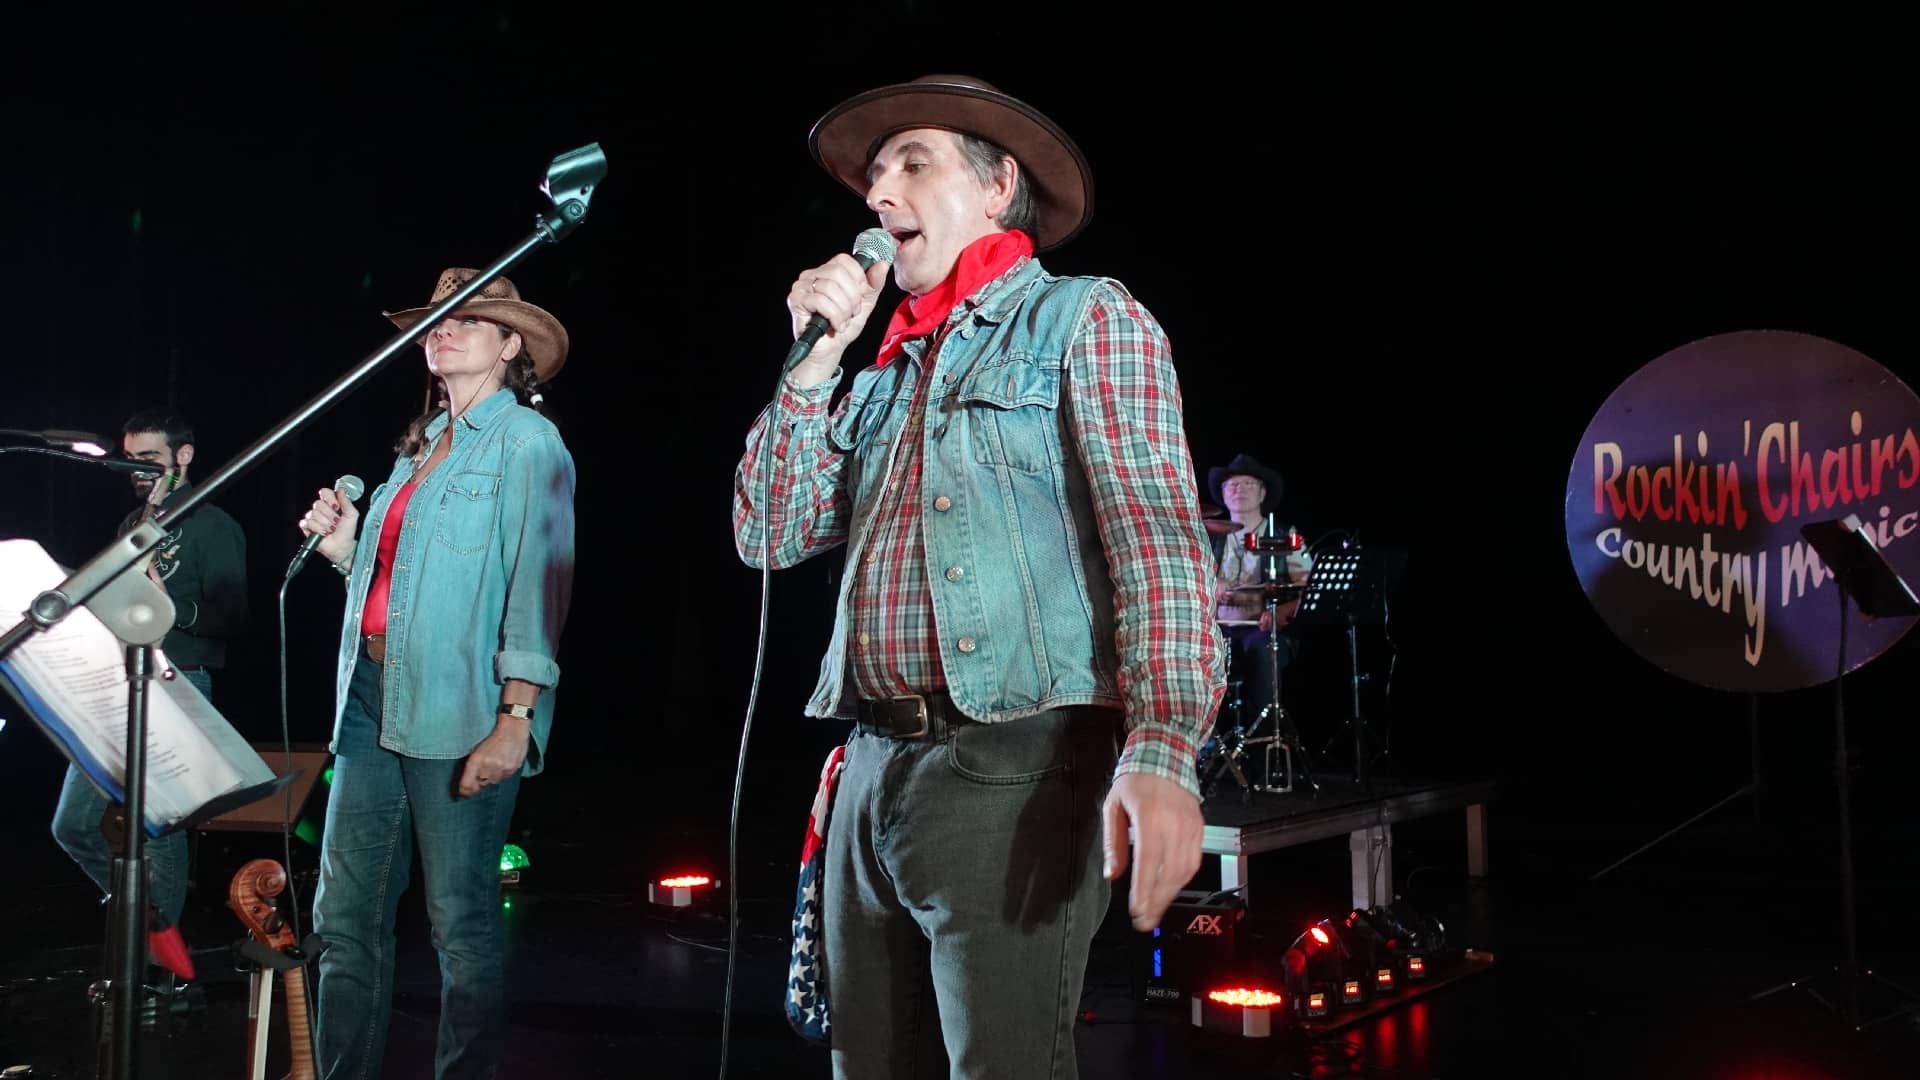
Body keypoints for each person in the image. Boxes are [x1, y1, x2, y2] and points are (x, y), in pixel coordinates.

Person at [732, 75, 1224, 1077]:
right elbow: (770, 533)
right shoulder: (878, 376)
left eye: (912, 164)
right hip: (869, 769)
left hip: (1013, 765)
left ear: (998, 188)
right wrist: (812, 370)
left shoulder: (1086, 320)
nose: (879, 196)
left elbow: (1159, 538)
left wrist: (1164, 747)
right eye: (873, 177)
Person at [296, 268, 576, 1080]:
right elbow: (393, 588)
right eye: (436, 321)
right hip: (369, 699)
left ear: (511, 344)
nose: (442, 331)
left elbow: (539, 583)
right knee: (343, 913)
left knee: (460, 919)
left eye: (467, 320)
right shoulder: (417, 449)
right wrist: (346, 545)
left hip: (463, 707)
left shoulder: (529, 442)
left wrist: (515, 717)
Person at [50, 408, 248, 979]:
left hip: (180, 682)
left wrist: (168, 606)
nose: (134, 470)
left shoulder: (214, 525)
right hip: (122, 682)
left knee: (158, 830)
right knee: (74, 824)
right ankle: (144, 919)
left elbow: (232, 618)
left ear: (183, 457)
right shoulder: (130, 524)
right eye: (128, 459)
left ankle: (163, 972)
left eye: (149, 459)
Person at [1205, 453, 1313, 761]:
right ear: (1223, 494)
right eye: (1232, 484)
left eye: (1248, 483)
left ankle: (1264, 745)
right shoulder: (1208, 540)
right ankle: (1202, 744)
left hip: (1262, 631)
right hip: (1216, 630)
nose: (1239, 489)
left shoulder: (1284, 536)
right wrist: (1212, 590)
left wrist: (1280, 612)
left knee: (1264, 651)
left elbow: (1306, 588)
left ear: (1263, 493)